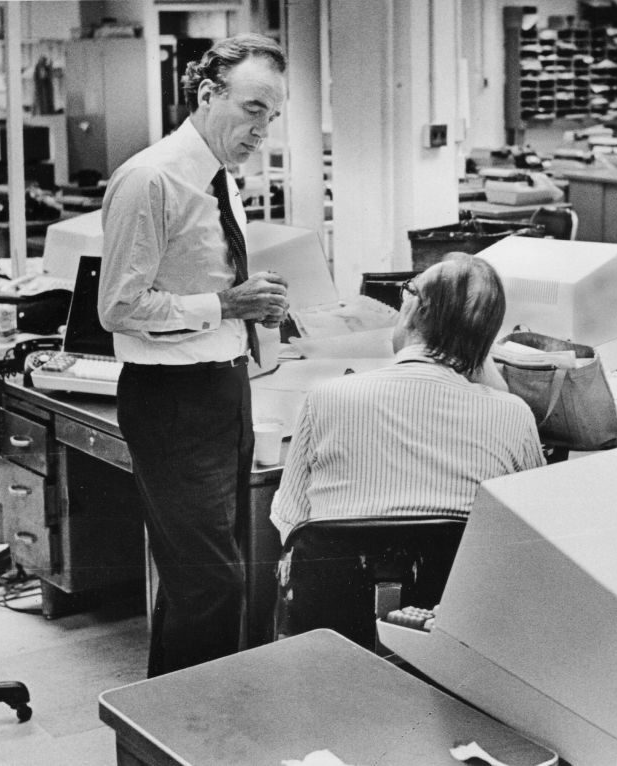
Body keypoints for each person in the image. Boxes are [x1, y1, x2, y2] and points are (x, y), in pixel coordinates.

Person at [98, 33, 289, 677]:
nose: (263, 129)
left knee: (213, 581)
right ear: (208, 96)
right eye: (255, 109)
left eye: (274, 115)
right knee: (210, 587)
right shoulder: (151, 178)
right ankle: (178, 740)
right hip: (173, 402)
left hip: (223, 391)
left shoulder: (221, 180)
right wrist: (225, 307)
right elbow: (118, 308)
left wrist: (248, 311)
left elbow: (202, 286)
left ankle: (186, 729)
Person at [269, 254, 546, 544]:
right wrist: (474, 347)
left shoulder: (325, 398)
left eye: (408, 291)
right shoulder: (514, 415)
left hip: (342, 586)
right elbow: (536, 532)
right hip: (457, 588)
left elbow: (291, 523)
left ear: (413, 309)